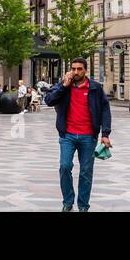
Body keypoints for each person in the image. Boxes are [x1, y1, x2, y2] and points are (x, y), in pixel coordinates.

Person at [43, 57, 112, 211]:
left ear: (85, 70)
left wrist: (105, 134)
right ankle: (68, 202)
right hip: (67, 135)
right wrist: (63, 85)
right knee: (65, 166)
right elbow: (48, 100)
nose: (76, 72)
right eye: (73, 69)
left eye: (79, 69)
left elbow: (105, 111)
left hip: (89, 136)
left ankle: (83, 206)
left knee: (86, 172)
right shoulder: (63, 86)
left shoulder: (95, 88)